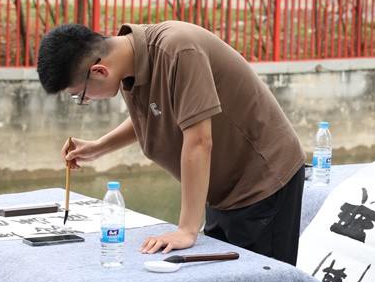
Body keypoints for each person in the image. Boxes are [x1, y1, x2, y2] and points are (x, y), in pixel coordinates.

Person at [36, 21, 306, 265]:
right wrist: (99, 147)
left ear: (98, 70)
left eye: (80, 95)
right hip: (222, 190)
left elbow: (199, 141)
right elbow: (153, 113)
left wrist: (187, 230)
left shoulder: (178, 51)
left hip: (263, 181)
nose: (84, 101)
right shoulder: (130, 64)